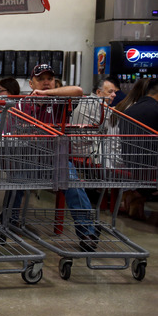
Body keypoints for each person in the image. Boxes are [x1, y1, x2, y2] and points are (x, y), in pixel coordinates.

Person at [13, 64, 99, 252]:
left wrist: (47, 93)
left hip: (55, 162)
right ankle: (9, 223)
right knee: (13, 179)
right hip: (26, 159)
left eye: (49, 78)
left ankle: (86, 232)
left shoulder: (61, 101)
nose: (46, 82)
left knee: (72, 179)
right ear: (31, 83)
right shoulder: (21, 104)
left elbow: (78, 90)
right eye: (41, 79)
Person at [120, 78, 158, 220]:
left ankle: (138, 194)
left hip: (130, 162)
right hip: (150, 165)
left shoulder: (129, 110)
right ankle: (138, 194)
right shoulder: (155, 109)